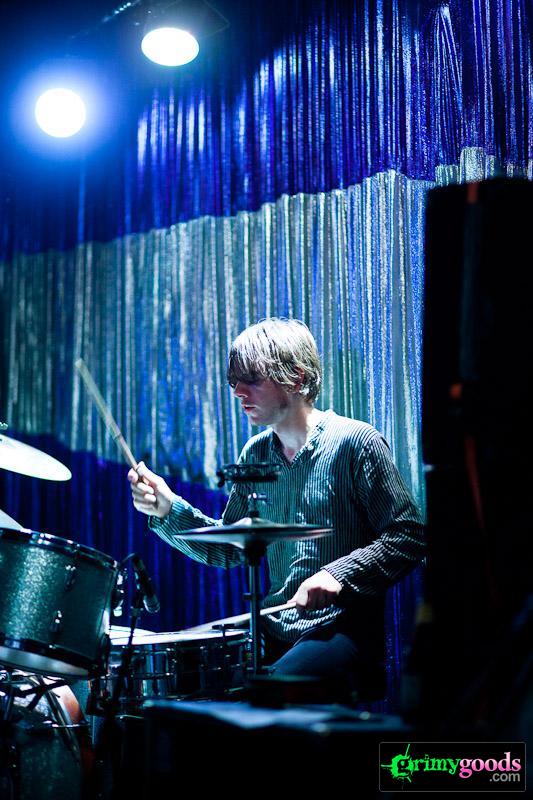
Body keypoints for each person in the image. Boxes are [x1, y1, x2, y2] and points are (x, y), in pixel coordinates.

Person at [128, 318, 425, 698]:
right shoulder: (256, 453)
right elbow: (231, 549)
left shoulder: (356, 442)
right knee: (195, 690)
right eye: (234, 381)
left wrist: (337, 575)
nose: (238, 392)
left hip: (340, 629)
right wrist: (167, 509)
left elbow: (408, 535)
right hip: (274, 628)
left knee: (261, 697)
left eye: (251, 379)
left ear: (295, 378)